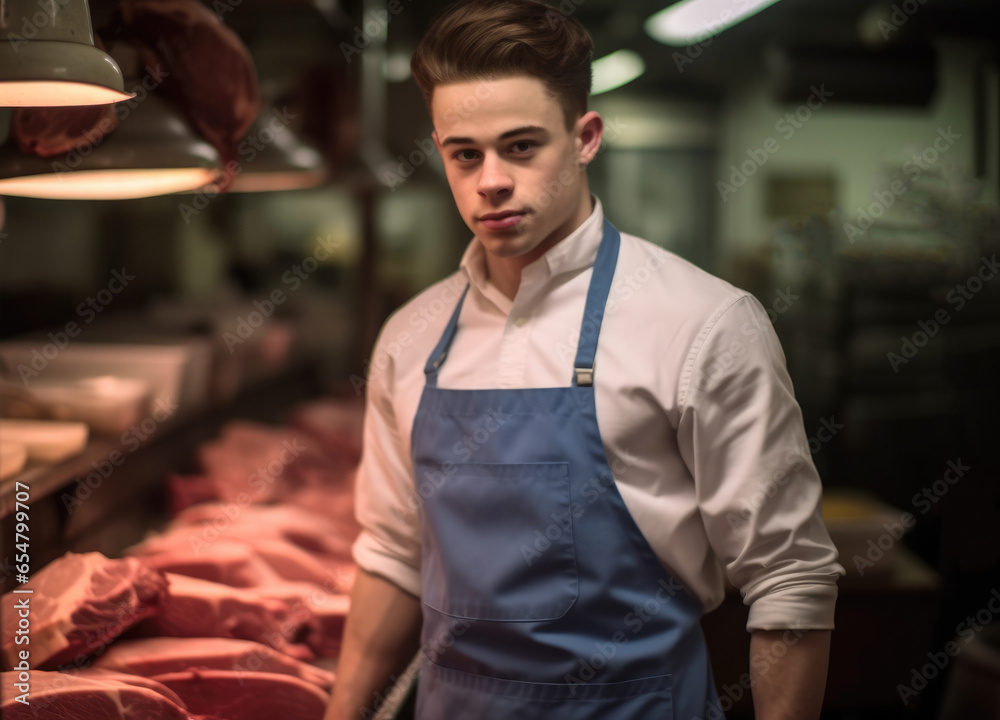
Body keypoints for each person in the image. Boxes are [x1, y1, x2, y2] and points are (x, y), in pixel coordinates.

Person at [325, 1, 844, 718]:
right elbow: (391, 554)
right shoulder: (411, 336)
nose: (491, 181)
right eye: (464, 154)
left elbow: (788, 579)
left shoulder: (703, 324)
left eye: (521, 146)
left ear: (585, 137)